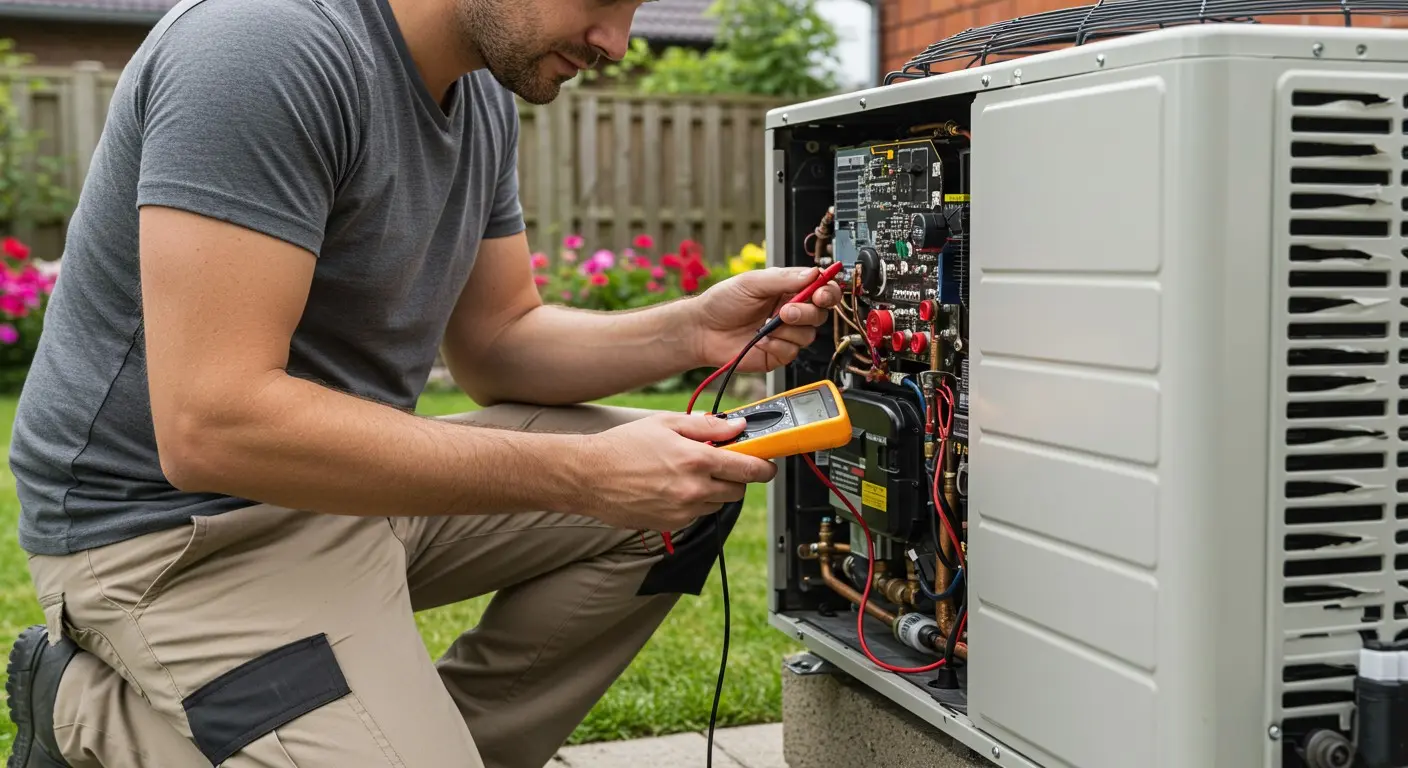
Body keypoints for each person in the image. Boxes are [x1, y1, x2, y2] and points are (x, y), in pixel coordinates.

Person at [2, 0, 840, 765]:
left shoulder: (475, 98)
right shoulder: (263, 45)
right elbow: (212, 425)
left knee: (700, 482)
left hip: (350, 486)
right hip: (171, 534)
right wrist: (586, 475)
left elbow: (498, 344)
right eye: (602, 1)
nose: (616, 43)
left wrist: (691, 329)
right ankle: (85, 709)